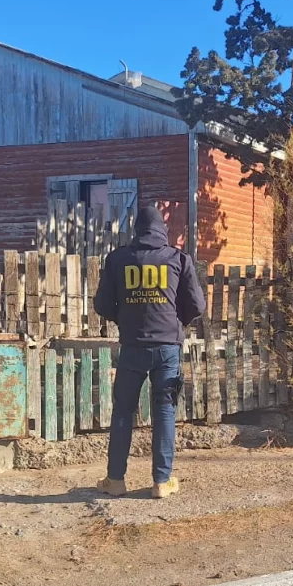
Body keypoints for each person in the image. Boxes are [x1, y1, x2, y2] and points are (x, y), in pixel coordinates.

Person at [93, 205, 206, 498]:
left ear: (137, 229)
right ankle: (162, 481)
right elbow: (197, 306)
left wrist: (125, 318)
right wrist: (175, 321)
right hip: (167, 348)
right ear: (162, 230)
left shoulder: (118, 259)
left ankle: (115, 480)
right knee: (165, 410)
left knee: (122, 412)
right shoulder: (178, 259)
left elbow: (103, 306)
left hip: (132, 347)